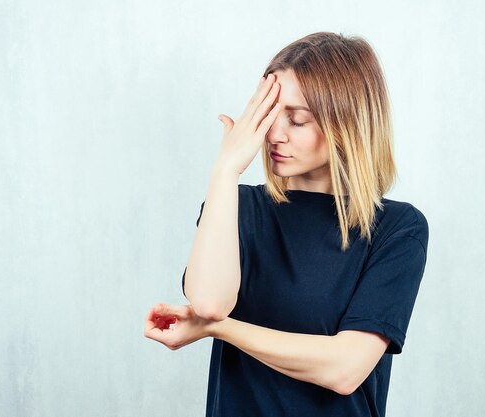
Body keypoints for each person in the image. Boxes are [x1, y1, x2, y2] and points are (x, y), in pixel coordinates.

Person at [144, 31, 429, 417]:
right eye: (268, 116)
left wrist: (220, 330)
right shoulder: (237, 207)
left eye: (296, 120)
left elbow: (345, 369)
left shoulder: (397, 229)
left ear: (346, 124)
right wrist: (226, 170)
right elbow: (210, 303)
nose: (274, 135)